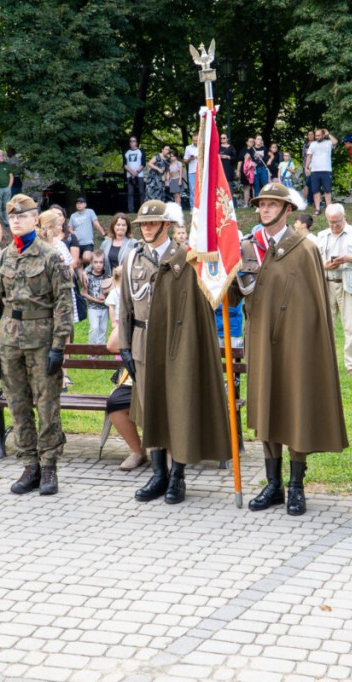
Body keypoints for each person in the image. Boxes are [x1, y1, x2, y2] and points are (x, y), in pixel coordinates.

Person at [228, 183, 348, 515]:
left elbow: (316, 304)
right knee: (266, 406)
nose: (264, 209)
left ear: (287, 210)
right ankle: (273, 484)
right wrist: (220, 278)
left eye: (271, 204)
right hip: (260, 341)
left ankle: (296, 485)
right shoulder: (247, 248)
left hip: (296, 343)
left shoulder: (305, 247)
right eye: (261, 204)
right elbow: (235, 297)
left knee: (294, 406)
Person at [118, 200, 231, 504]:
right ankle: (158, 475)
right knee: (151, 407)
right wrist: (126, 347)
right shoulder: (132, 259)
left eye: (152, 223)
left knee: (178, 409)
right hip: (143, 341)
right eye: (142, 224)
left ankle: (177, 476)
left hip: (177, 343)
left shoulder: (187, 257)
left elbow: (205, 302)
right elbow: (126, 307)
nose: (147, 228)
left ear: (166, 225)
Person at [0, 194, 73, 495]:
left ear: (36, 219)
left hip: (42, 341)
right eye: (13, 217)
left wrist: (59, 346)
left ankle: (49, 467)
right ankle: (29, 465)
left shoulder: (50, 257)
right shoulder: (1, 259)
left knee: (47, 405)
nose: (18, 221)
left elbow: (63, 304)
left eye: (24, 216)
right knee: (18, 405)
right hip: (10, 342)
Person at [316, 203, 352, 375]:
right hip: (327, 283)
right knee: (325, 326)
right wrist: (326, 266)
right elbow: (316, 261)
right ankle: (325, 363)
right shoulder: (322, 235)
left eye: (337, 222)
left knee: (351, 327)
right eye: (330, 222)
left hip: (349, 283)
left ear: (344, 217)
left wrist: (348, 258)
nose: (334, 226)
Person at [104, 320, 145, 471]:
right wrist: (128, 318)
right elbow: (112, 345)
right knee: (116, 402)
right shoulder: (133, 316)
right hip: (135, 376)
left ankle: (169, 453)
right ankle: (137, 451)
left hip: (164, 375)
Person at [305, 128, 337, 215]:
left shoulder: (328, 143)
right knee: (315, 191)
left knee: (327, 190)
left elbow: (335, 142)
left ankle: (329, 208)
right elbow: (309, 156)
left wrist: (328, 133)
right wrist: (306, 167)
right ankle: (317, 209)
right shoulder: (313, 144)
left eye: (319, 135)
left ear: (323, 135)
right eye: (316, 135)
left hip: (326, 170)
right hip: (315, 170)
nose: (317, 137)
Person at [84, 250, 111, 345]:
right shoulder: (88, 276)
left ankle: (100, 351)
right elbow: (84, 293)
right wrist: (96, 300)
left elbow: (110, 292)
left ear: (104, 263)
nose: (98, 265)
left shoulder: (107, 276)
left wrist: (106, 296)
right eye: (95, 262)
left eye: (101, 262)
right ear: (91, 263)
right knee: (94, 328)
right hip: (93, 308)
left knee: (103, 329)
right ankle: (91, 350)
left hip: (105, 308)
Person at [69, 197, 104, 263]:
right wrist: (74, 234)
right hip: (77, 243)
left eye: (81, 203)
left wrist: (104, 234)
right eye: (77, 203)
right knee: (78, 262)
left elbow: (96, 224)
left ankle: (91, 267)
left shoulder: (90, 212)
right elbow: (70, 228)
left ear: (85, 204)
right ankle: (83, 271)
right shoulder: (73, 216)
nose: (79, 205)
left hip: (88, 242)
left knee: (87, 258)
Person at [124, 136, 146, 212]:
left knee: (141, 192)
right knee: (130, 193)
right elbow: (124, 165)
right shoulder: (127, 152)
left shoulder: (141, 151)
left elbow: (143, 163)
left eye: (134, 141)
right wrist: (131, 172)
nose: (132, 142)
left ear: (136, 142)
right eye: (130, 141)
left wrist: (136, 172)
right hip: (129, 175)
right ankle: (131, 210)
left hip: (139, 175)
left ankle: (143, 210)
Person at [237, 137, 255, 206]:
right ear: (247, 142)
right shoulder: (243, 150)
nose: (251, 143)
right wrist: (238, 171)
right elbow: (240, 161)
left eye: (253, 141)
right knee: (246, 187)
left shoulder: (255, 150)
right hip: (245, 171)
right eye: (250, 141)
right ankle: (246, 204)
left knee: (254, 187)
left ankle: (255, 204)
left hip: (253, 171)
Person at [183, 140, 198, 208]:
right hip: (192, 172)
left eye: (197, 140)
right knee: (193, 190)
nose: (195, 141)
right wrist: (190, 158)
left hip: (202, 171)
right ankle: (193, 207)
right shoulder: (188, 148)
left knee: (202, 190)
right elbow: (185, 161)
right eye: (194, 140)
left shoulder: (203, 147)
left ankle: (202, 207)